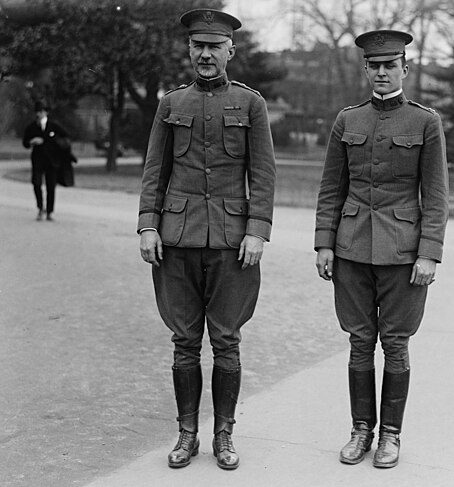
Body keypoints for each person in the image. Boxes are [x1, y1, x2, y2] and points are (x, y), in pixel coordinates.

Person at [137, 8, 276, 471]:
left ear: (230, 51)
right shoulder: (171, 104)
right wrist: (148, 224)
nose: (205, 55)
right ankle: (186, 435)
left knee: (227, 341)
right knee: (183, 341)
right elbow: (155, 170)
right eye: (198, 46)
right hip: (176, 240)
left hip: (233, 244)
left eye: (214, 47)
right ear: (189, 50)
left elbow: (263, 174)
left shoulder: (251, 104)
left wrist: (257, 231)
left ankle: (224, 435)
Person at [314, 29, 449, 468]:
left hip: (404, 254)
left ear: (404, 69)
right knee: (358, 342)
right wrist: (324, 244)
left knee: (395, 343)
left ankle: (390, 435)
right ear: (365, 69)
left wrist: (429, 252)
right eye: (375, 66)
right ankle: (360, 431)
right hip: (351, 249)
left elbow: (437, 195)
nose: (382, 73)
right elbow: (331, 189)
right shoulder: (347, 120)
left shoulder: (425, 122)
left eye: (390, 65)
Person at [22, 100, 71, 221]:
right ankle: (40, 207)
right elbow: (25, 142)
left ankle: (49, 211)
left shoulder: (53, 126)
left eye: (42, 112)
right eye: (37, 112)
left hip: (52, 160)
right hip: (38, 160)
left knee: (51, 186)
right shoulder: (32, 127)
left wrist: (51, 139)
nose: (39, 114)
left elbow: (66, 136)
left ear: (46, 113)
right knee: (36, 183)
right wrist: (31, 142)